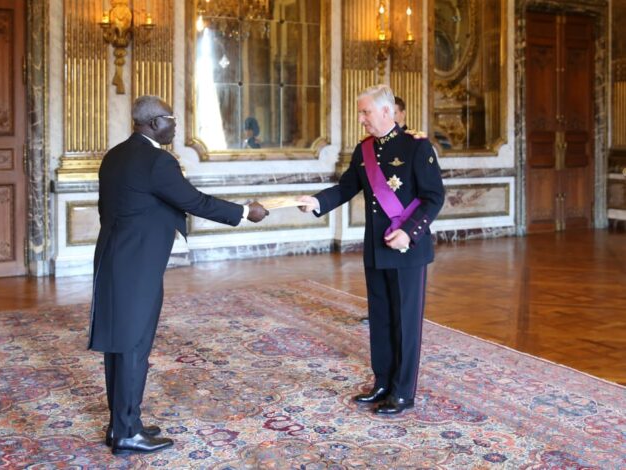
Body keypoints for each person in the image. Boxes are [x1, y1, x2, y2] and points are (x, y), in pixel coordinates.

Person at [89, 95, 269, 455]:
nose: (175, 126)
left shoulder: (115, 155)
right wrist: (244, 212)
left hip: (113, 257)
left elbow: (105, 208)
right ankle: (126, 433)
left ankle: (120, 423)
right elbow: (194, 201)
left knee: (120, 344)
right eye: (171, 119)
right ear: (155, 123)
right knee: (133, 346)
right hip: (137, 265)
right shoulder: (157, 160)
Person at [298, 84, 444, 414]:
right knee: (381, 318)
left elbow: (434, 197)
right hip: (377, 248)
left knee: (405, 322)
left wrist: (409, 233)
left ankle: (403, 392)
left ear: (386, 111)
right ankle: (383, 382)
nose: (361, 119)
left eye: (366, 112)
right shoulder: (364, 150)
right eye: (361, 112)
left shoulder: (417, 147)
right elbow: (346, 187)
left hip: (407, 249)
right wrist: (317, 202)